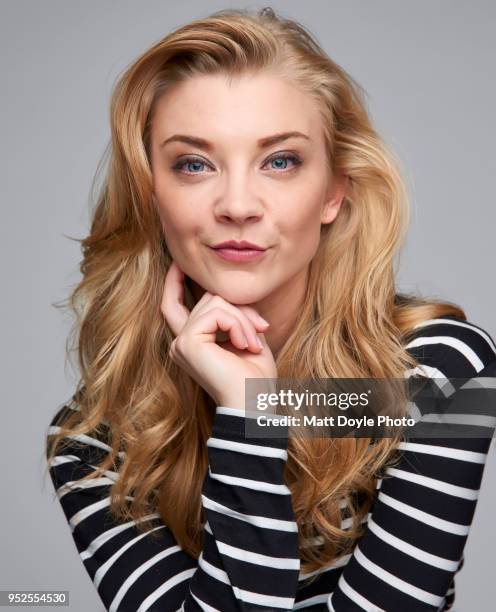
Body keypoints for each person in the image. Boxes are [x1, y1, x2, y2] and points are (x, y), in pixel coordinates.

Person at [44, 7, 496, 611]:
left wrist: (260, 407)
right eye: (193, 164)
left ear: (334, 190)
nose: (236, 204)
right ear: (151, 193)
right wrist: (245, 419)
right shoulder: (94, 442)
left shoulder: (434, 379)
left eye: (280, 160)